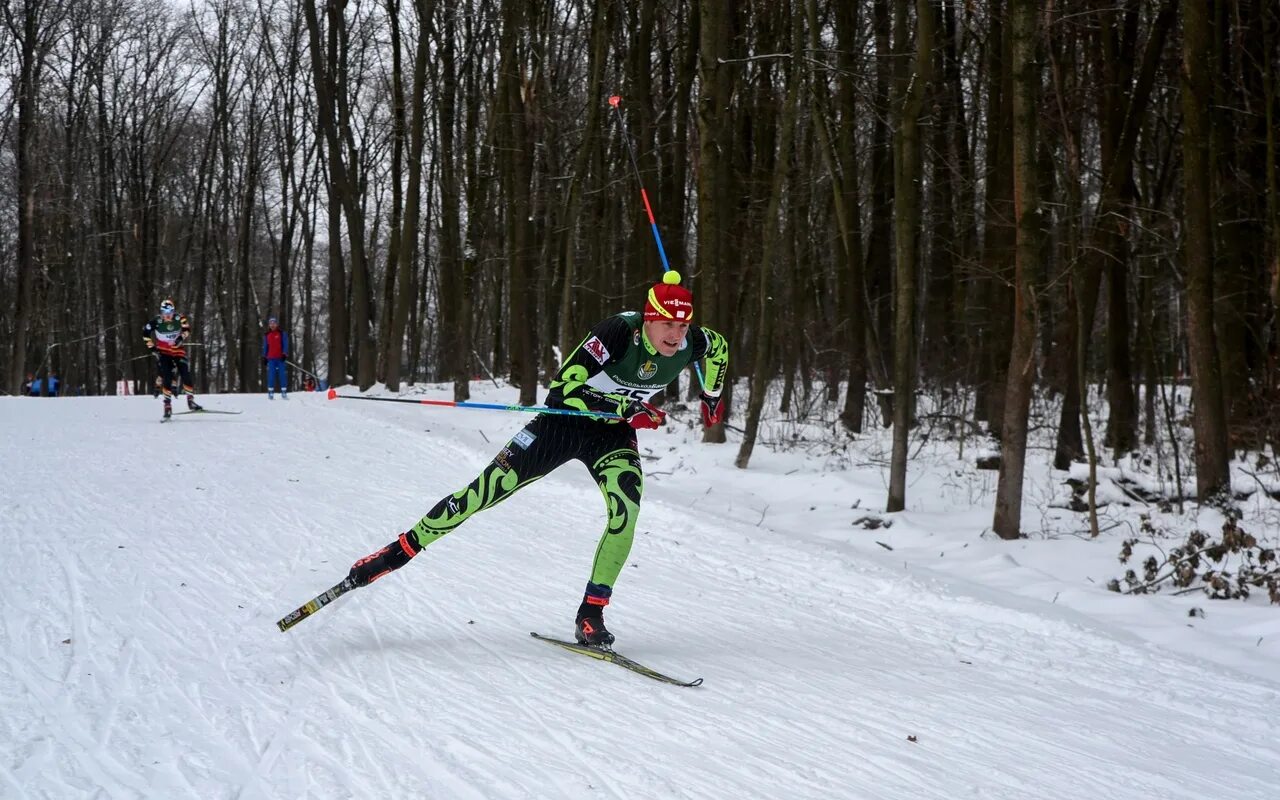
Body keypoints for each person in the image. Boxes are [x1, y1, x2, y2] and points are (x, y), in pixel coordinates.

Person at [343, 270, 729, 646]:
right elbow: (562, 388)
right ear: (648, 318)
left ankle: (591, 615)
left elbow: (720, 349)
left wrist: (712, 396)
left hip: (611, 435)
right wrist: (627, 406)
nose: (676, 335)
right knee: (483, 493)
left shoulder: (692, 341)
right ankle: (395, 554)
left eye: (683, 325)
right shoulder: (617, 332)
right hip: (562, 424)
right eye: (667, 324)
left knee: (626, 510)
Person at [143, 298, 202, 419]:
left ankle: (190, 401)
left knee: (185, 374)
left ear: (173, 311)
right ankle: (167, 406)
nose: (168, 316)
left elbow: (187, 329)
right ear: (161, 312)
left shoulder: (179, 318)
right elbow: (145, 333)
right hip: (163, 352)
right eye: (165, 313)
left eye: (170, 313)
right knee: (167, 377)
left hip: (178, 350)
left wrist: (181, 337)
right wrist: (152, 348)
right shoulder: (156, 321)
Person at [262, 317, 290, 399]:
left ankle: (284, 391)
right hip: (271, 359)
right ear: (269, 325)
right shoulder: (267, 335)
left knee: (282, 375)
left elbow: (285, 344)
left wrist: (284, 354)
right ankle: (270, 392)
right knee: (271, 375)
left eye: (274, 323)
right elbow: (265, 347)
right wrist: (264, 357)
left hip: (280, 358)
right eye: (271, 323)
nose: (272, 325)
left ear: (276, 324)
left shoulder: (281, 333)